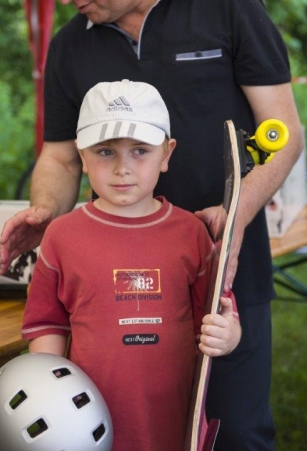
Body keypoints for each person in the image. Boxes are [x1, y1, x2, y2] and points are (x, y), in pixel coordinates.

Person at [0, 0, 303, 447]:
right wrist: (45, 210)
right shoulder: (70, 45)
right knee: (127, 426)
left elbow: (286, 134)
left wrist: (235, 217)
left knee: (237, 431)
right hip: (115, 286)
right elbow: (61, 157)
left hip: (221, 271)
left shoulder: (229, 6)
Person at [22, 79, 242, 450]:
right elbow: (46, 323)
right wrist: (49, 392)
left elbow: (220, 313)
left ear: (166, 154)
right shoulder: (61, 236)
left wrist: (229, 335)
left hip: (173, 423)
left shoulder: (190, 233)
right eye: (105, 151)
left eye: (140, 150)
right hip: (87, 425)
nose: (122, 168)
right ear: (82, 155)